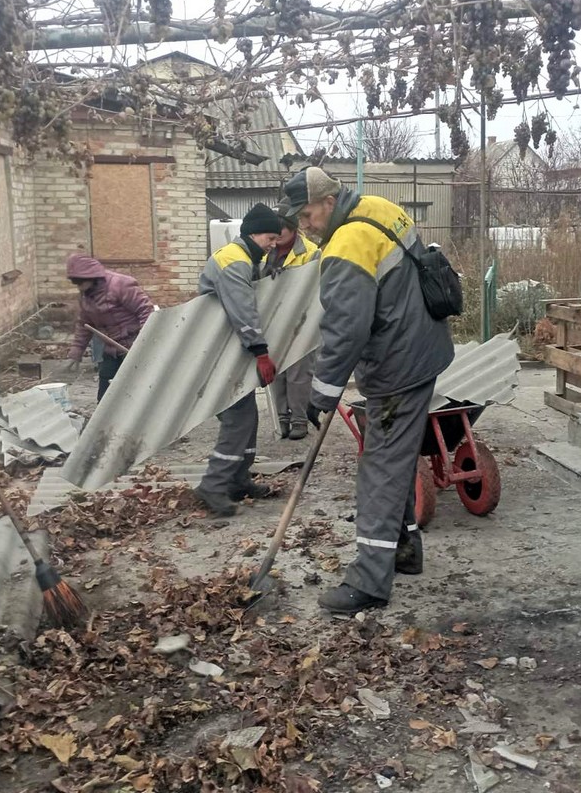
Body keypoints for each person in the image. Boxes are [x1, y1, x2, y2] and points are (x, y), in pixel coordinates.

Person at [278, 166, 454, 614]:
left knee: (379, 469)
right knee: (393, 461)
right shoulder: (382, 209)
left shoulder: (345, 245)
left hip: (398, 364)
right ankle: (404, 550)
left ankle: (370, 582)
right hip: (423, 348)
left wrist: (321, 393)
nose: (304, 227)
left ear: (328, 201)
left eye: (306, 215)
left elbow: (346, 329)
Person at [194, 203, 284, 517]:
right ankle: (213, 485)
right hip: (218, 354)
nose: (273, 243)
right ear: (252, 232)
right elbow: (243, 311)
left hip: (230, 352)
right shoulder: (234, 261)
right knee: (236, 419)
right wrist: (261, 351)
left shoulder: (246, 258)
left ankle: (237, 479)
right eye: (270, 237)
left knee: (247, 416)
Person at [65, 252, 154, 401]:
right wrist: (76, 352)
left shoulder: (120, 285)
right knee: (106, 394)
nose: (79, 287)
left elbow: (146, 310)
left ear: (91, 277)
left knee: (136, 392)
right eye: (76, 284)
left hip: (133, 346)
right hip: (110, 349)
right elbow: (83, 324)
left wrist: (143, 341)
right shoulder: (86, 296)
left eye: (80, 282)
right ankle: (104, 423)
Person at [264, 214, 320, 440]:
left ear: (293, 229)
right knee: (275, 371)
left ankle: (299, 419)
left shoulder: (311, 251)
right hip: (274, 319)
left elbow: (315, 286)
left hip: (301, 321)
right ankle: (282, 418)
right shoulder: (267, 252)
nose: (276, 238)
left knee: (299, 372)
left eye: (281, 233)